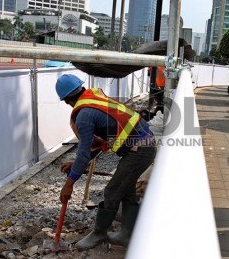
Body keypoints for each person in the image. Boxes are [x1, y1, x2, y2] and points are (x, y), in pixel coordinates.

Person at [55, 74, 157, 250]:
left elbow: (84, 152)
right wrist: (75, 165)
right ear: (81, 89)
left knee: (112, 191)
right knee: (126, 189)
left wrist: (69, 184)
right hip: (143, 145)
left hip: (139, 150)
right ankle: (127, 235)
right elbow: (93, 146)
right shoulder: (95, 97)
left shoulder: (83, 116)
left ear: (66, 101)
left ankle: (99, 233)